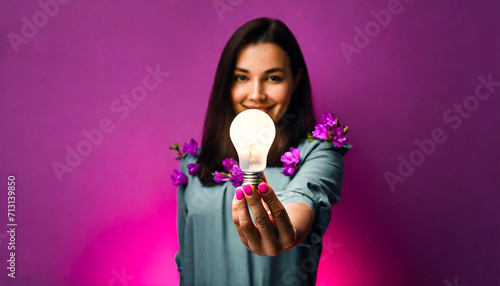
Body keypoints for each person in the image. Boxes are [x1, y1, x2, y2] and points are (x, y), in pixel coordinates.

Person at [174, 17, 350, 286]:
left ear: (296, 80)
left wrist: (285, 229)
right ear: (227, 83)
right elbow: (187, 263)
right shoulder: (193, 167)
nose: (256, 94)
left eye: (273, 77)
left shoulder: (319, 153)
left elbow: (303, 198)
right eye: (242, 77)